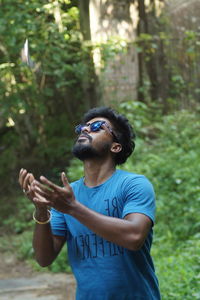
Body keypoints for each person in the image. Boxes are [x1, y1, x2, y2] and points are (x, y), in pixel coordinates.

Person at [19, 106, 161, 300]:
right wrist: (42, 211)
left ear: (115, 146)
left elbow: (134, 236)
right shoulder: (67, 196)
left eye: (96, 126)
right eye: (82, 128)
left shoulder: (134, 184)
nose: (85, 129)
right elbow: (44, 258)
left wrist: (73, 208)